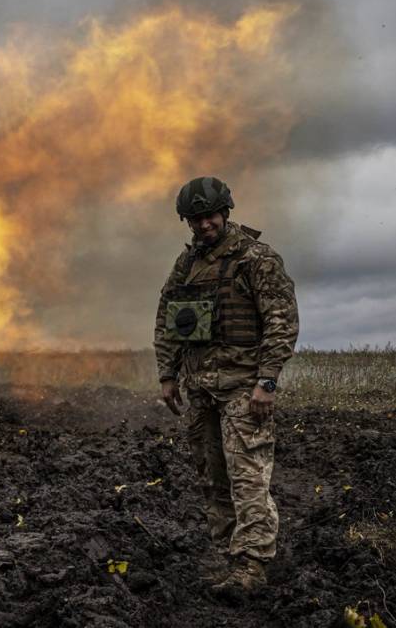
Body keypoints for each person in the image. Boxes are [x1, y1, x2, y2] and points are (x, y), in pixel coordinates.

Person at [154, 176, 299, 595]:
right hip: (200, 390)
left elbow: (280, 323)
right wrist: (168, 374)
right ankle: (227, 559)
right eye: (195, 218)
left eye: (210, 215)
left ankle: (252, 566)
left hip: (243, 389)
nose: (204, 225)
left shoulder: (255, 260)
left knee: (248, 478)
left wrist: (267, 382)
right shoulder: (185, 266)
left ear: (226, 212)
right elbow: (168, 322)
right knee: (213, 479)